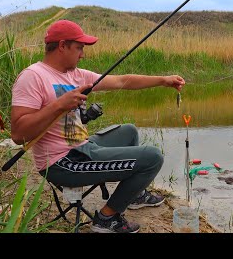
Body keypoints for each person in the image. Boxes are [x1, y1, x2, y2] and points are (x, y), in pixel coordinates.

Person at [11, 19, 185, 233]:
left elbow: (123, 81)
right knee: (153, 158)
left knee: (128, 131)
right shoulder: (32, 77)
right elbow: (18, 134)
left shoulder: (76, 74)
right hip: (62, 162)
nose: (82, 54)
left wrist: (163, 80)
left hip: (82, 146)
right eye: (79, 47)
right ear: (62, 45)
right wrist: (59, 105)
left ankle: (136, 194)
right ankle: (106, 218)